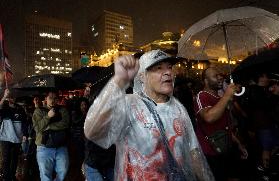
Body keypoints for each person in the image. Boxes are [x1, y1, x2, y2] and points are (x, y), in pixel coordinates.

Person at [84, 49, 214, 181]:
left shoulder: (179, 109)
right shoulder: (129, 104)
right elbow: (93, 131)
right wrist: (119, 81)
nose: (168, 72)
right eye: (158, 68)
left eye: (169, 67)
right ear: (142, 75)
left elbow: (193, 151)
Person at [194, 67, 248, 181]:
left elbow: (224, 126)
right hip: (211, 152)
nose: (220, 78)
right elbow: (209, 117)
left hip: (225, 148)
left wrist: (238, 143)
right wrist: (227, 95)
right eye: (215, 76)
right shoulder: (202, 95)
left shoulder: (219, 97)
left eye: (220, 75)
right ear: (205, 81)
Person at [32, 91, 69, 181]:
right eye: (50, 98)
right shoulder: (39, 111)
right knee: (45, 174)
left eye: (55, 98)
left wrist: (49, 126)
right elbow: (37, 128)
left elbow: (65, 124)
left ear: (58, 100)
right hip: (43, 147)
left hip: (61, 145)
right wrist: (48, 116)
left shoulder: (62, 110)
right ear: (46, 99)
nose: (52, 100)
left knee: (63, 171)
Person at [0, 89, 27, 181]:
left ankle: (12, 177)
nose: (12, 98)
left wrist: (25, 134)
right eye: (10, 96)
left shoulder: (20, 109)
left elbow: (24, 122)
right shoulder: (4, 107)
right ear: (8, 97)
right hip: (5, 137)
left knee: (15, 158)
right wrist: (4, 96)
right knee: (6, 159)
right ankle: (5, 178)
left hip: (17, 138)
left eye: (13, 97)